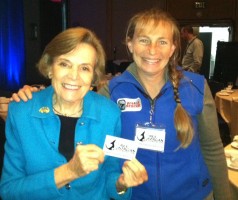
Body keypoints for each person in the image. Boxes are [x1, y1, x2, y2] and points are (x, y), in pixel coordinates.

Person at [6, 9, 230, 200]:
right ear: (130, 44)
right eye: (144, 40)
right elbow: (70, 99)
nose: (153, 50)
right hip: (135, 194)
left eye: (162, 42)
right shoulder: (110, 93)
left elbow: (212, 150)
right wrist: (34, 96)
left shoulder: (197, 87)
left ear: (173, 48)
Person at [0, 27, 148, 200]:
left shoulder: (109, 113)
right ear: (50, 67)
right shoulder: (22, 112)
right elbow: (9, 191)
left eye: (84, 68)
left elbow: (111, 175)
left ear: (93, 76)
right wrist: (69, 172)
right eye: (64, 64)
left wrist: (121, 184)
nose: (74, 76)